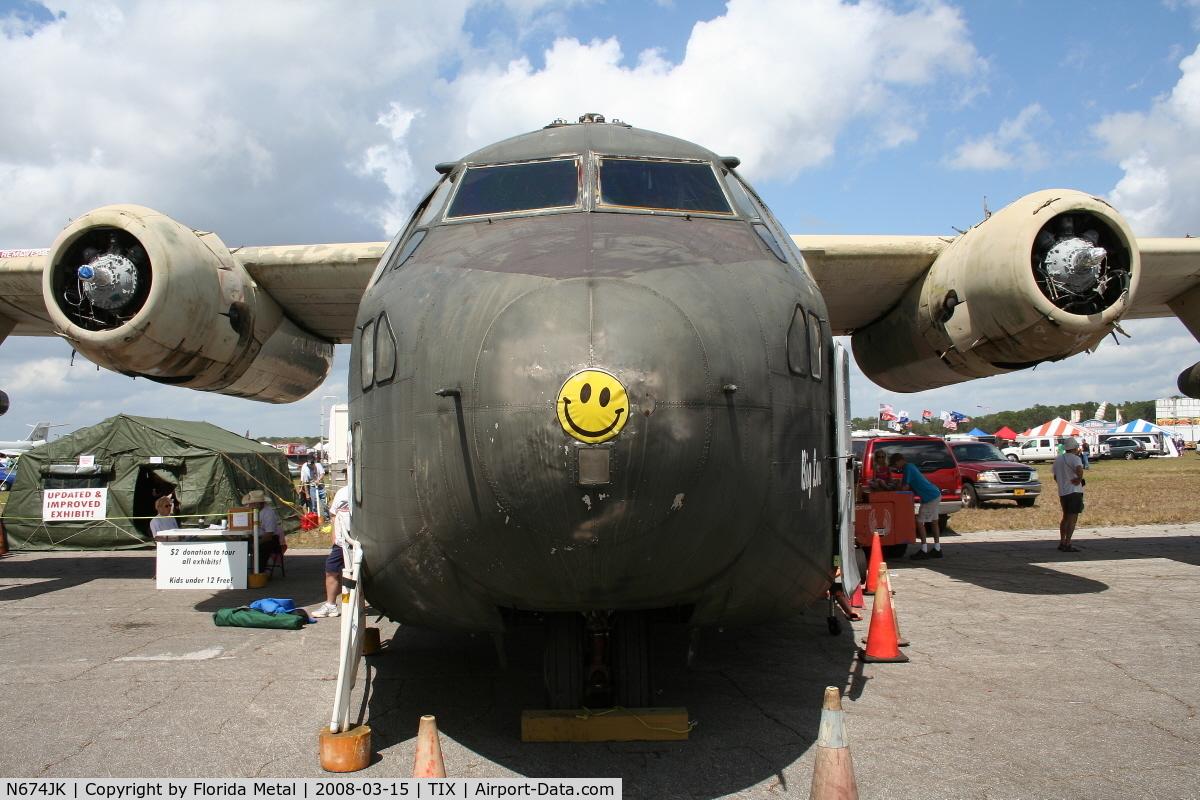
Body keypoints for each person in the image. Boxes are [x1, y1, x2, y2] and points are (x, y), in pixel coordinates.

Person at [890, 452, 944, 559]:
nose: (896, 468)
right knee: (934, 522)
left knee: (919, 521)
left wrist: (893, 487)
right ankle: (937, 548)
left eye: (895, 465)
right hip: (934, 493)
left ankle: (924, 549)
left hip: (929, 497)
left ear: (900, 461)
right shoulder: (911, 466)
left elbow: (905, 487)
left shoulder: (907, 468)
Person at [313, 485, 351, 618]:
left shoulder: (367, 490)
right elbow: (334, 514)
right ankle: (331, 605)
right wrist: (333, 535)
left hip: (359, 542)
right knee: (331, 570)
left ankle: (355, 606)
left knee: (358, 574)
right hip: (341, 543)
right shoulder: (342, 492)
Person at [1051, 437, 1085, 552]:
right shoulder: (1075, 458)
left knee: (1065, 517)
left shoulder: (1059, 459)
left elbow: (1055, 476)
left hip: (1063, 491)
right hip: (1074, 491)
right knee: (1073, 518)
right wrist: (1079, 479)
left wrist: (1062, 483)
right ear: (1075, 448)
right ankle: (1068, 542)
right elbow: (1079, 469)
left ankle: (1062, 541)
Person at [242, 489, 283, 571]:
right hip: (253, 537)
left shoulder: (268, 513)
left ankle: (259, 572)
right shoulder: (247, 510)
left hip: (268, 539)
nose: (249, 505)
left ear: (258, 504)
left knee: (262, 548)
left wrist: (256, 544)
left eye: (252, 503)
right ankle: (238, 573)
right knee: (239, 545)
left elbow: (269, 535)